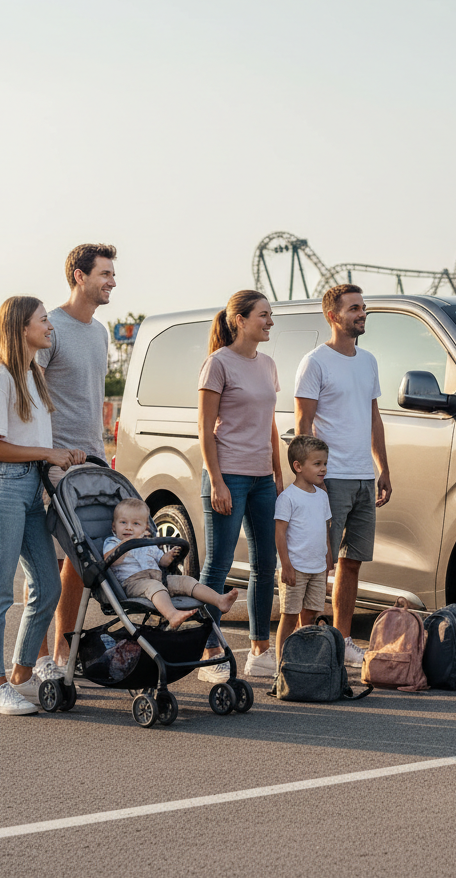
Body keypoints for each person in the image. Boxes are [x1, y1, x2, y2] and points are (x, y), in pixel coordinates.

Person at [0, 297, 86, 714]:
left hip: (31, 489)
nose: (50, 326)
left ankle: (21, 675)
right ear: (21, 327)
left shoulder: (32, 375)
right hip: (2, 489)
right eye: (43, 320)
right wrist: (47, 453)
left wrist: (61, 455)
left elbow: (27, 440)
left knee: (49, 585)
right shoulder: (0, 376)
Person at [294, 284, 391, 666]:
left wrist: (383, 468)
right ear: (333, 316)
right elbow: (303, 423)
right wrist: (308, 480)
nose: (362, 313)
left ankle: (345, 640)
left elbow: (374, 418)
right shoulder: (315, 362)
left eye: (363, 307)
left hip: (363, 477)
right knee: (319, 564)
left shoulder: (368, 361)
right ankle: (306, 644)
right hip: (329, 479)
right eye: (354, 308)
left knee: (352, 563)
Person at [34, 243, 116, 681]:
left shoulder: (100, 332)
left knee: (80, 561)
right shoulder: (52, 328)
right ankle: (38, 660)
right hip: (52, 462)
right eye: (105, 274)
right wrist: (45, 452)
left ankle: (65, 651)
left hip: (92, 458)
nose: (112, 282)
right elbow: (31, 394)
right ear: (79, 276)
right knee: (44, 564)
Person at [197, 289, 284, 682]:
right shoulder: (218, 363)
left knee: (266, 565)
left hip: (262, 478)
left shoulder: (267, 364)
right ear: (240, 320)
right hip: (228, 475)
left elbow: (270, 424)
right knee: (218, 564)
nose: (269, 322)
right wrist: (217, 481)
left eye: (270, 315)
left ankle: (260, 651)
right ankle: (209, 650)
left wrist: (278, 474)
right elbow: (204, 428)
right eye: (263, 315)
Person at [103, 498, 238, 628]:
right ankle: (172, 615)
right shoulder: (113, 542)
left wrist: (169, 556)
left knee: (186, 581)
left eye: (135, 524)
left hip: (158, 578)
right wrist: (124, 545)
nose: (129, 528)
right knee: (154, 586)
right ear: (114, 526)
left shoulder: (148, 543)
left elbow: (163, 562)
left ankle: (219, 601)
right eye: (123, 522)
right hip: (132, 583)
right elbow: (110, 561)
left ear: (145, 528)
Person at [273, 436, 334, 664]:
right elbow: (280, 533)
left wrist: (328, 560)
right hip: (295, 568)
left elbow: (324, 529)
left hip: (317, 568)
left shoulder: (322, 496)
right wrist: (286, 565)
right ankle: (282, 666)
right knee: (289, 617)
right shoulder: (288, 498)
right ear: (298, 466)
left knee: (309, 617)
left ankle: (301, 664)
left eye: (325, 463)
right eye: (317, 464)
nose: (323, 468)